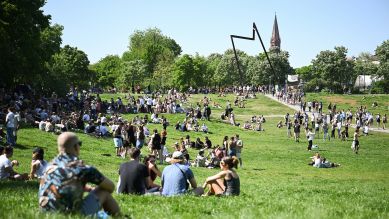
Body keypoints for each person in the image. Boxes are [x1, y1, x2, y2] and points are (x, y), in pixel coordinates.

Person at [38, 132, 120, 216]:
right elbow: (111, 187)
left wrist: (83, 187)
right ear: (76, 147)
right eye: (79, 144)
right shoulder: (82, 168)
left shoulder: (48, 167)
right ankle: (119, 217)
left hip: (45, 213)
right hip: (70, 214)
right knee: (104, 192)